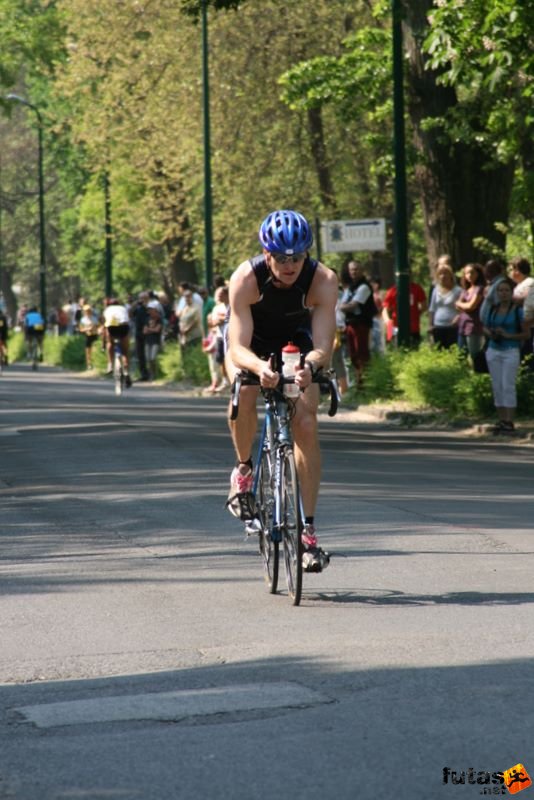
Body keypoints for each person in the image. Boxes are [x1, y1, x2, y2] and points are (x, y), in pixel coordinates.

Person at [224, 209, 337, 573]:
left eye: (298, 257)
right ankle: (243, 472)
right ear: (267, 254)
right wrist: (258, 368)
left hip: (296, 345)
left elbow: (324, 344)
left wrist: (311, 367)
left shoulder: (322, 280)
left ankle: (308, 533)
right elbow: (237, 346)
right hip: (251, 346)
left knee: (306, 420)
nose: (290, 265)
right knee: (243, 394)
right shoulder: (245, 278)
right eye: (282, 258)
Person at [483, 278, 526, 434]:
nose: (503, 293)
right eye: (500, 290)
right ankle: (501, 419)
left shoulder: (517, 311)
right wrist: (492, 334)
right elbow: (485, 327)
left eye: (506, 290)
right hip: (493, 350)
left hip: (510, 351)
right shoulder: (492, 309)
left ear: (511, 292)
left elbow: (525, 334)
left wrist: (508, 335)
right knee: (497, 385)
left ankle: (510, 420)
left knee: (508, 385)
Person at [338, 261, 375, 387]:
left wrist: (344, 306)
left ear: (362, 270)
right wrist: (344, 306)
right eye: (352, 270)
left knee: (362, 353)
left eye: (357, 269)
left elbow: (352, 306)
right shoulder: (351, 287)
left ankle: (365, 382)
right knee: (353, 354)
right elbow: (343, 305)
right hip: (350, 325)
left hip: (361, 325)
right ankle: (358, 382)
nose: (354, 272)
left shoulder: (364, 287)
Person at [382, 277, 427, 347]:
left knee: (413, 349)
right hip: (395, 328)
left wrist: (416, 314)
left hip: (413, 328)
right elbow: (385, 309)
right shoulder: (393, 290)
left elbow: (424, 306)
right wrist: (387, 321)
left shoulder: (417, 288)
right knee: (395, 349)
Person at [455, 263, 485, 362]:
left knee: (474, 355)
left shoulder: (480, 289)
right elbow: (457, 306)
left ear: (478, 274)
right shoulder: (466, 290)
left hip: (473, 327)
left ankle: (478, 375)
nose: (469, 275)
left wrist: (461, 304)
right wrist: (462, 305)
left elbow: (471, 306)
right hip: (462, 325)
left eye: (472, 272)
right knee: (461, 355)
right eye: (467, 273)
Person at [427, 264, 461, 348]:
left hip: (453, 327)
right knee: (439, 350)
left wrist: (458, 317)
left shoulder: (458, 290)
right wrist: (430, 325)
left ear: (450, 275)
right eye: (440, 274)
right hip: (438, 325)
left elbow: (462, 309)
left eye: (445, 273)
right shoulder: (435, 290)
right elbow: (432, 308)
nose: (443, 276)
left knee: (452, 350)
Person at [509, 257, 534, 363]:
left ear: (517, 270)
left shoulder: (530, 282)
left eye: (511, 269)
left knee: (526, 354)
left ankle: (527, 378)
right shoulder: (519, 285)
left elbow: (524, 299)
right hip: (521, 324)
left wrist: (507, 299)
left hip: (529, 325)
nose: (510, 273)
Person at [103, 297, 131, 387]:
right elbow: (128, 319)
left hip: (112, 327)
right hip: (124, 326)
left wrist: (104, 341)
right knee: (125, 352)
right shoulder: (123, 308)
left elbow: (104, 323)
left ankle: (110, 364)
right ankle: (126, 371)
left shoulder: (107, 309)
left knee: (110, 343)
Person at [479, 259, 506, 325]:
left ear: (493, 271)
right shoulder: (493, 283)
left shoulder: (500, 283)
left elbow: (499, 305)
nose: (484, 272)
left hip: (494, 326)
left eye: (487, 269)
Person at [143, 301, 163, 381]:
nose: (149, 311)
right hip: (148, 341)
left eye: (151, 309)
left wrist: (149, 329)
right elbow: (144, 331)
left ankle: (154, 373)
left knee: (153, 357)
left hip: (155, 341)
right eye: (149, 310)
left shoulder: (159, 319)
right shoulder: (147, 319)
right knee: (148, 358)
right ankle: (150, 374)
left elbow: (157, 330)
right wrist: (151, 330)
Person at [79, 303, 99, 369]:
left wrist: (94, 328)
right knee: (88, 350)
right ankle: (89, 364)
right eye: (86, 311)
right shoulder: (83, 320)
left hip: (94, 335)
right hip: (87, 336)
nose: (87, 312)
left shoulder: (94, 318)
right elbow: (81, 329)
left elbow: (97, 326)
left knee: (95, 349)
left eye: (88, 310)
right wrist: (87, 329)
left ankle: (95, 363)